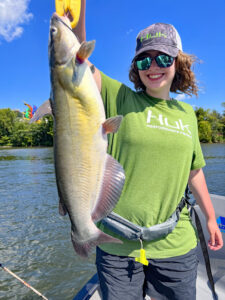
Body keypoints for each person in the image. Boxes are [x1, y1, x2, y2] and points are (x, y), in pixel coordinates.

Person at [72, 1, 223, 299]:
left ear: (177, 62)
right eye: (144, 60)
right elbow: (76, 59)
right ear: (135, 67)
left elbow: (194, 170)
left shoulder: (186, 115)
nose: (153, 67)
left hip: (176, 245)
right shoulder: (118, 97)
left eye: (162, 58)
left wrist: (208, 216)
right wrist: (77, 12)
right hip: (118, 247)